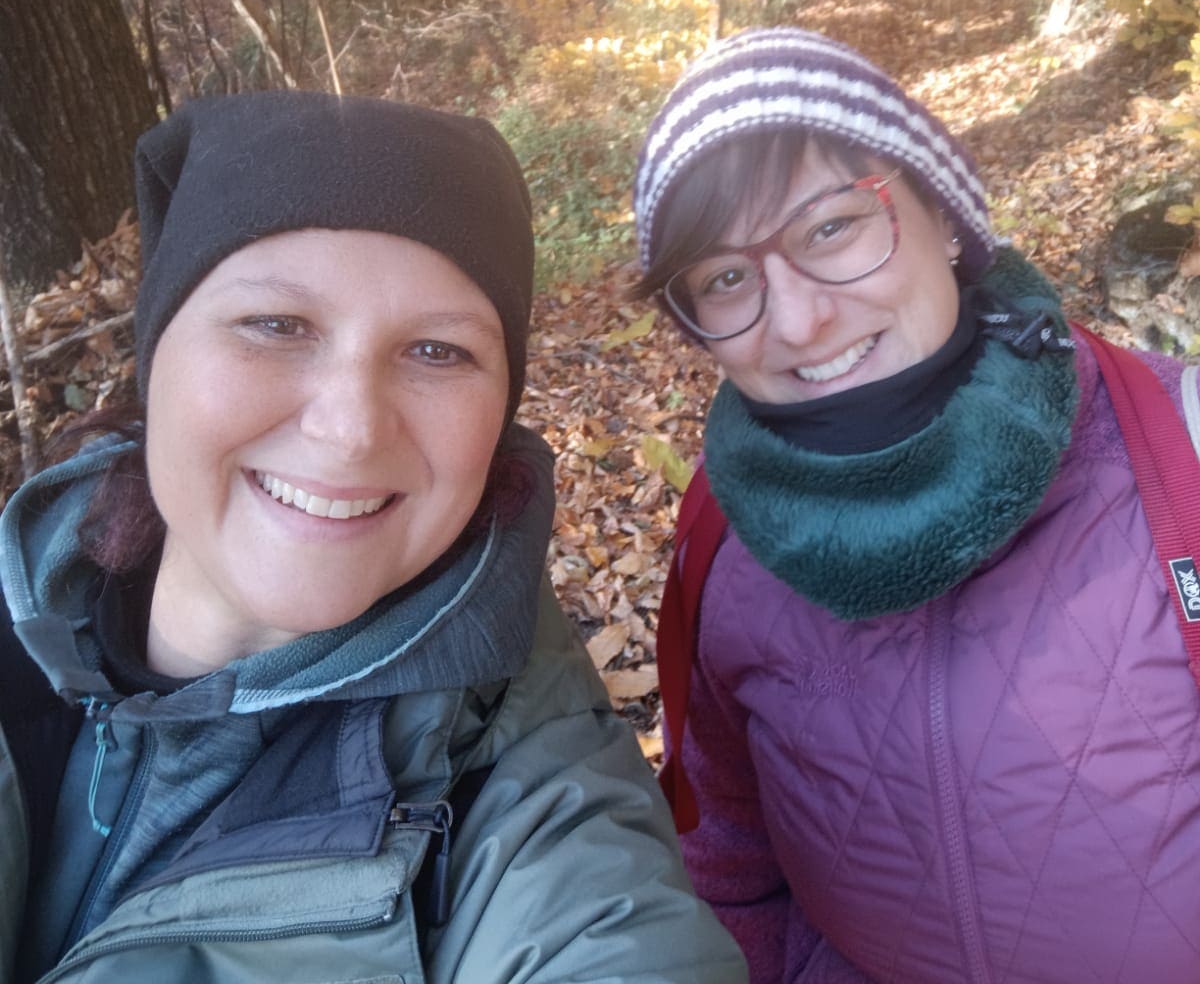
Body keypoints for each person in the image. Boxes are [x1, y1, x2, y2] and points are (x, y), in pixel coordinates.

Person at [0, 91, 747, 984]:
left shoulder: (529, 792)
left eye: (437, 351)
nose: (352, 429)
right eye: (275, 326)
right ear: (155, 357)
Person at [632, 27, 1200, 984]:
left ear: (944, 214)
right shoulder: (724, 533)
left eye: (832, 228)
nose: (801, 318)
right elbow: (722, 864)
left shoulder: (1178, 446)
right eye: (726, 279)